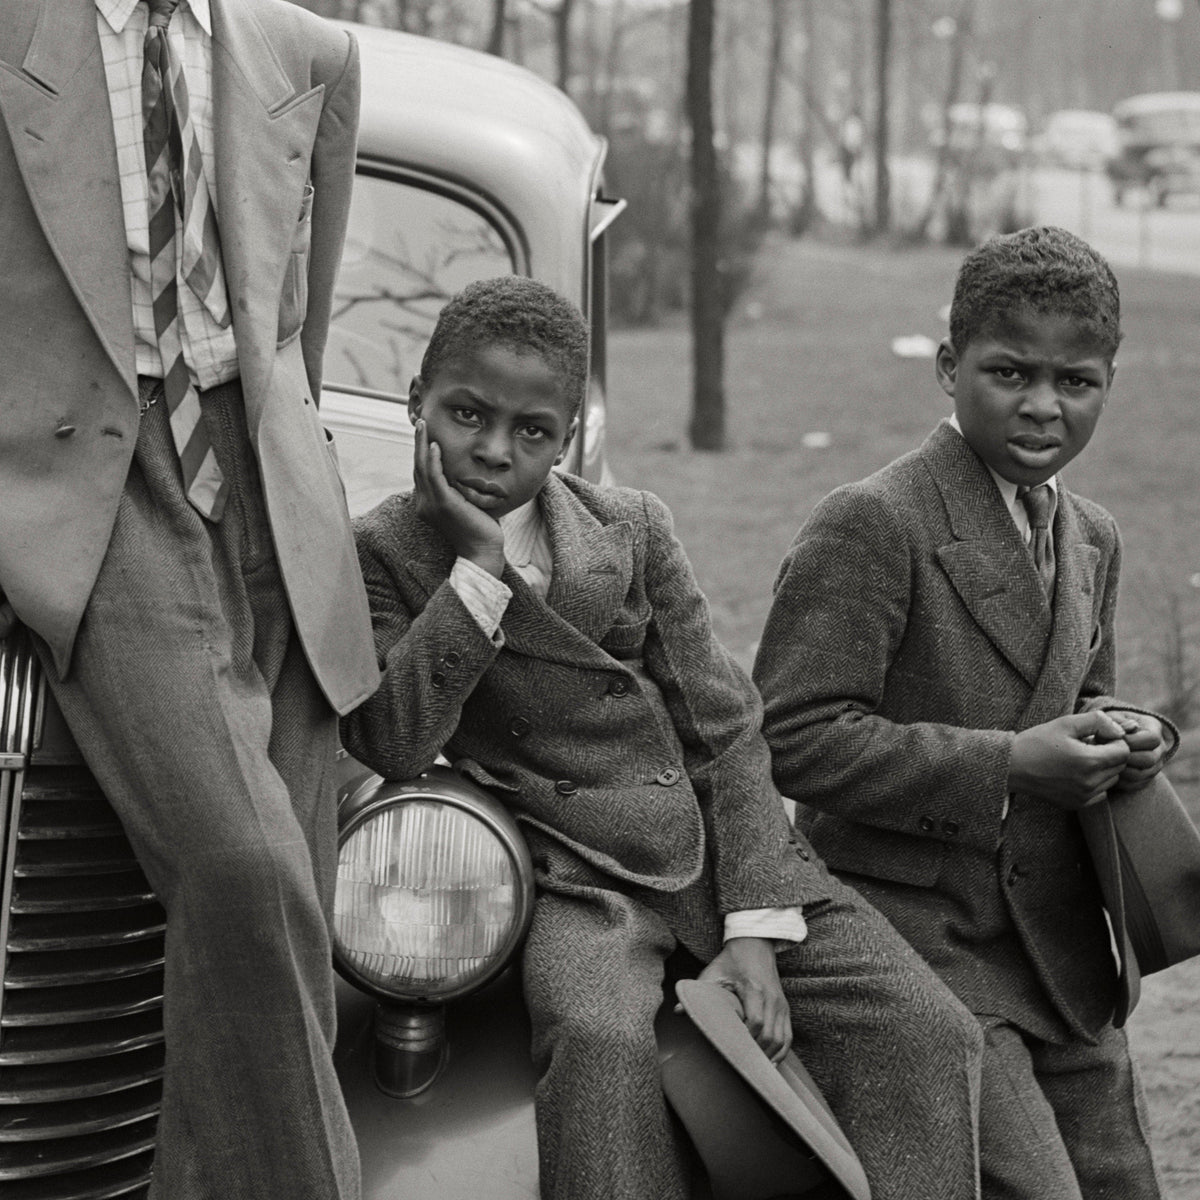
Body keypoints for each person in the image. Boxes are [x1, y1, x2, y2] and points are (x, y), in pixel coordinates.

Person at [341, 275, 984, 1200]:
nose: (490, 453)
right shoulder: (382, 553)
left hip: (715, 851)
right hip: (574, 875)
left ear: (567, 441)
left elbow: (724, 728)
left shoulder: (630, 528)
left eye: (530, 433)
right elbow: (394, 739)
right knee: (599, 1043)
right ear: (417, 403)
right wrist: (477, 571)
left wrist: (756, 923)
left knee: (926, 1031)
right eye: (467, 415)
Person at [0, 2, 379, 1196]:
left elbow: (293, 333)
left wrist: (298, 473)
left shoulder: (310, 52)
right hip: (103, 482)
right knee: (242, 867)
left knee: (285, 942)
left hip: (273, 488)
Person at [753, 225, 1176, 1200]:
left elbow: (1082, 697)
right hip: (913, 937)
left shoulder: (1091, 538)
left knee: (1123, 1182)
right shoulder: (875, 522)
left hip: (1058, 952)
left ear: (1110, 380)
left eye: (1076, 382)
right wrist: (1009, 766)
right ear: (949, 367)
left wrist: (1133, 735)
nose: (1042, 406)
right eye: (1010, 372)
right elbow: (794, 740)